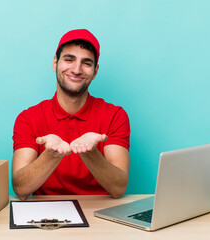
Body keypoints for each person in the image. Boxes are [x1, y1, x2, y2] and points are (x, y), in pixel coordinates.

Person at [12, 29, 130, 200]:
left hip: (101, 215)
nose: (76, 69)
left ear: (95, 71)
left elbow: (118, 188)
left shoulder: (115, 115)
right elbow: (20, 188)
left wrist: (90, 152)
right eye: (69, 59)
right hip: (47, 216)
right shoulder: (28, 118)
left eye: (86, 63)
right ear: (55, 63)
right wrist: (51, 155)